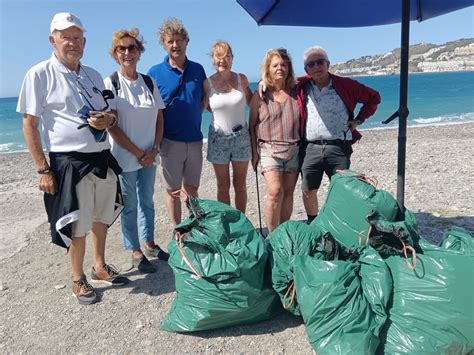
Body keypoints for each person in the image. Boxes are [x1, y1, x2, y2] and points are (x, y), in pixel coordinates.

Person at [17, 12, 129, 305]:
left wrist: (108, 119)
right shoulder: (40, 73)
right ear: (52, 39)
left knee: (102, 218)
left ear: (85, 41)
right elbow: (29, 124)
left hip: (102, 157)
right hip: (69, 161)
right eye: (66, 37)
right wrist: (43, 169)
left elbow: (110, 111)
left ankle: (100, 266)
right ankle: (78, 279)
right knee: (77, 223)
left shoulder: (92, 74)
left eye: (77, 38)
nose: (73, 43)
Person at [104, 28, 169, 274]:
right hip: (124, 157)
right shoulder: (110, 83)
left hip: (150, 156)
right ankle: (134, 250)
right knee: (129, 205)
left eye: (132, 47)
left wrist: (153, 150)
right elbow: (112, 127)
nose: (127, 52)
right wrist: (139, 154)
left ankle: (150, 243)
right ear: (115, 53)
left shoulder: (148, 82)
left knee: (148, 202)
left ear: (139, 51)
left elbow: (159, 119)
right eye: (122, 48)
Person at [296, 46, 381, 223]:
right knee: (308, 189)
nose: (316, 66)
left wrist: (358, 120)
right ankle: (313, 222)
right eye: (311, 64)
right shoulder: (303, 87)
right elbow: (279, 85)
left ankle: (339, 222)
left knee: (341, 188)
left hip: (338, 146)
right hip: (310, 147)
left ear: (328, 64)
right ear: (306, 69)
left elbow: (374, 98)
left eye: (320, 62)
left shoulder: (345, 85)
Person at [147, 18, 208, 226]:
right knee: (173, 191)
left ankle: (196, 227)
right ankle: (178, 231)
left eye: (179, 40)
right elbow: (151, 109)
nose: (175, 45)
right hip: (169, 141)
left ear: (186, 42)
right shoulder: (154, 73)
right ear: (164, 44)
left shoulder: (198, 69)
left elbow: (203, 99)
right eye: (171, 41)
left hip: (195, 139)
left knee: (192, 188)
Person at [249, 48, 301, 233]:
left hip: (294, 149)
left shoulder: (298, 91)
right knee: (275, 192)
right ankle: (272, 235)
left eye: (284, 65)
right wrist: (254, 153)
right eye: (275, 65)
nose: (280, 68)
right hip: (269, 149)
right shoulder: (261, 95)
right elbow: (252, 125)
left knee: (288, 193)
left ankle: (283, 232)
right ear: (268, 69)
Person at [205, 41, 253, 213]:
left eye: (226, 56)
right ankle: (227, 224)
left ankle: (241, 222)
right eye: (218, 56)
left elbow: (254, 104)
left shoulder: (242, 79)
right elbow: (204, 107)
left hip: (241, 138)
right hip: (218, 139)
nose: (222, 60)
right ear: (212, 59)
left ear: (232, 58)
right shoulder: (207, 83)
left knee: (240, 185)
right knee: (222, 186)